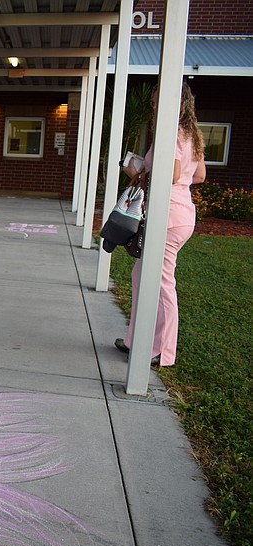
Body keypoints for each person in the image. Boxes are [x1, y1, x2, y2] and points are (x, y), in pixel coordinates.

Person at [115, 83, 206, 367]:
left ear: (174, 104)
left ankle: (163, 352)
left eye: (157, 102)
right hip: (179, 214)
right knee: (141, 277)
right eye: (153, 102)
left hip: (169, 217)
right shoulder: (191, 134)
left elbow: (174, 173)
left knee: (162, 284)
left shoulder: (173, 132)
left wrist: (140, 171)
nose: (153, 107)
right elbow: (199, 175)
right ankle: (136, 341)